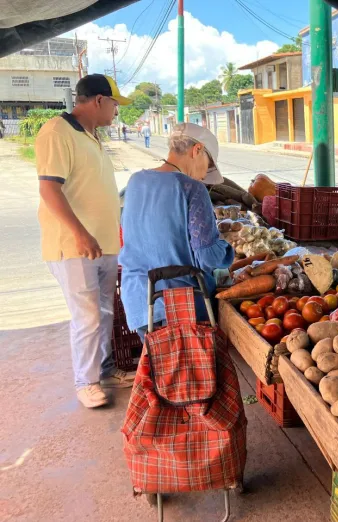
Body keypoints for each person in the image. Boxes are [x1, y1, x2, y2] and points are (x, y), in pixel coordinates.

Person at [35, 74, 134, 409]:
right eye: (116, 104)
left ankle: (104, 370)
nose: (117, 111)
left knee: (104, 313)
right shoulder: (57, 132)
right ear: (98, 101)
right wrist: (80, 233)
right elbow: (49, 189)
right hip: (75, 245)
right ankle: (86, 382)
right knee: (88, 316)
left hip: (103, 244)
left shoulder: (92, 136)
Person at [119, 123, 234, 341]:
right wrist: (227, 248)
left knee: (161, 368)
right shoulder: (192, 188)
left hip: (139, 299)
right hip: (180, 303)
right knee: (192, 373)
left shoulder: (135, 182)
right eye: (208, 165)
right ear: (197, 150)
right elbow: (208, 257)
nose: (203, 175)